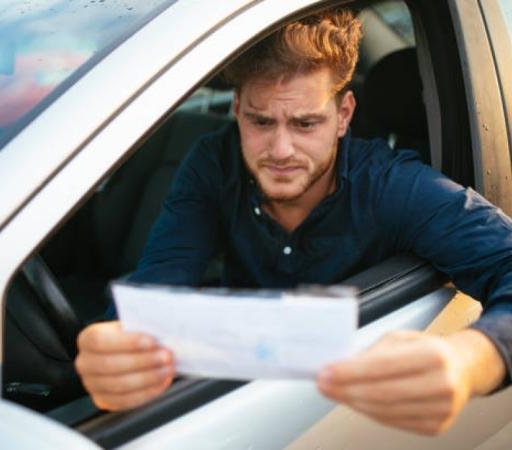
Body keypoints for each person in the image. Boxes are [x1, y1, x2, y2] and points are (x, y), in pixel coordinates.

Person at [74, 9, 511, 435]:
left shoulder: (394, 186)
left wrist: (470, 361)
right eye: (261, 121)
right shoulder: (214, 163)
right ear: (236, 109)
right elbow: (159, 280)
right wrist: (117, 350)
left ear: (343, 116)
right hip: (229, 403)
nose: (280, 150)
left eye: (305, 123)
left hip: (345, 422)